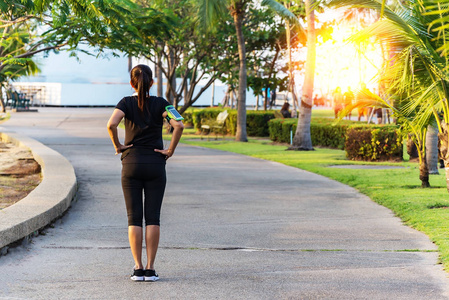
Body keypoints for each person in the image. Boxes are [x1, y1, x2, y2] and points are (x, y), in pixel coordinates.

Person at [107, 64, 184, 282]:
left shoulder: (125, 102)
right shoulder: (161, 103)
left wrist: (118, 146)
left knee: (134, 218)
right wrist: (170, 150)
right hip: (155, 164)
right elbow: (178, 126)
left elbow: (111, 124)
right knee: (153, 218)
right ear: (152, 83)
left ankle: (138, 268)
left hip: (130, 163)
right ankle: (150, 269)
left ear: (131, 83)